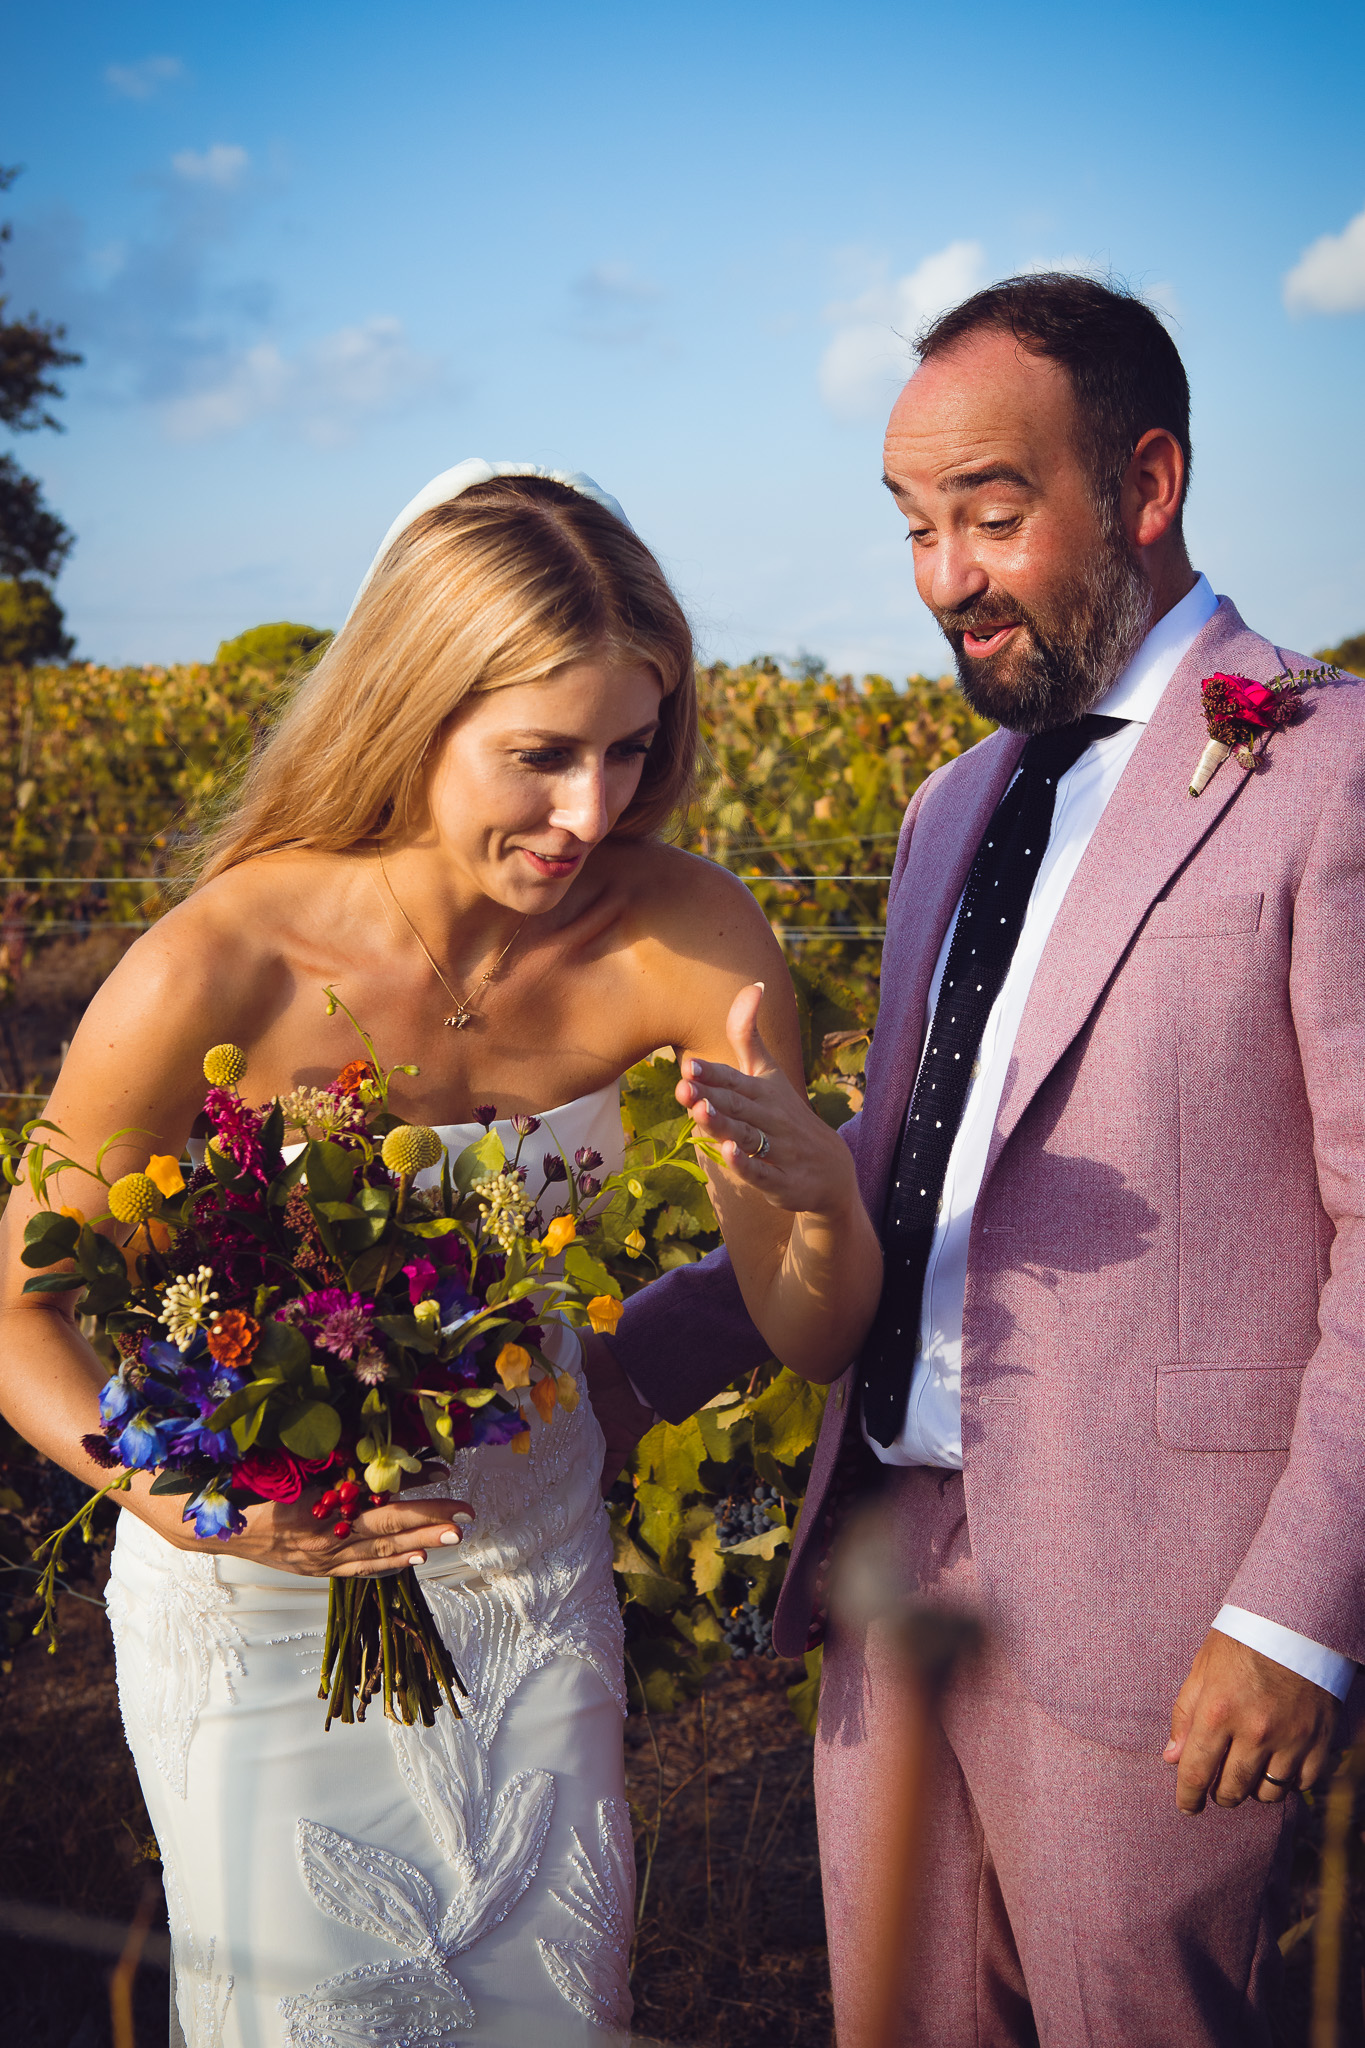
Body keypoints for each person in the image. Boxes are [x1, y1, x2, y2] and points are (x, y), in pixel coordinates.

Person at [0, 458, 882, 2048]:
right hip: (251, 1608)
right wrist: (191, 1508)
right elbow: (19, 1315)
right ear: (413, 715)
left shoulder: (687, 934)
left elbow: (809, 1333)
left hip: (534, 1592)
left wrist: (816, 1203)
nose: (593, 812)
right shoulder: (219, 960)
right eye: (540, 756)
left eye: (631, 749)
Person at [589, 277, 1365, 2045]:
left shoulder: (1332, 772)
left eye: (992, 518)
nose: (944, 575)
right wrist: (628, 1365)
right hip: (888, 1562)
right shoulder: (951, 804)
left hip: (1166, 1615)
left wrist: (1296, 1614)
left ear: (1146, 486)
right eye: (916, 525)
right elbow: (897, 1158)